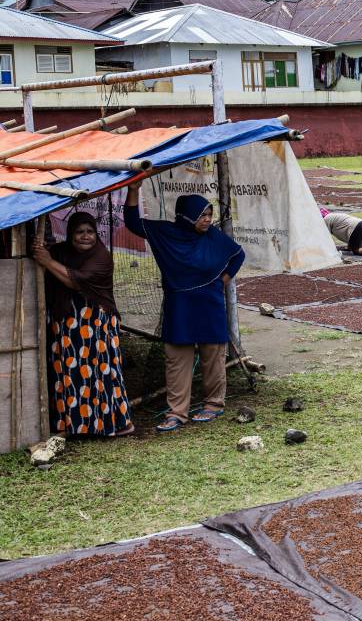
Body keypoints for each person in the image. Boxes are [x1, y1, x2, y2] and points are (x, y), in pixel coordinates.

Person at [124, 184, 245, 432]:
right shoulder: (166, 233)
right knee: (177, 359)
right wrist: (133, 189)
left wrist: (221, 280)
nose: (207, 220)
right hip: (180, 306)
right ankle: (177, 412)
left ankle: (213, 404)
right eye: (202, 215)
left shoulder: (213, 237)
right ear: (186, 216)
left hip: (209, 305)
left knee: (213, 356)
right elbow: (133, 223)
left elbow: (238, 255)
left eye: (209, 214)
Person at [33, 213, 134, 437]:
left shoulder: (101, 257)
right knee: (68, 373)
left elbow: (75, 280)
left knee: (101, 373)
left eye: (90, 232)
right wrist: (43, 255)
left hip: (96, 323)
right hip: (68, 324)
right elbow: (43, 262)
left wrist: (48, 262)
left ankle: (115, 423)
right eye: (80, 232)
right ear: (71, 234)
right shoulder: (61, 252)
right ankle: (73, 426)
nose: (85, 237)